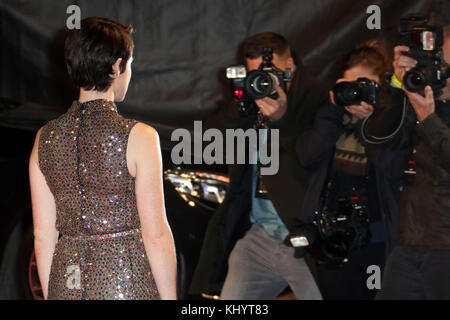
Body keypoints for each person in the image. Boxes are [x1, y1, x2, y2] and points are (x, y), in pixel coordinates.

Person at [29, 17, 177, 300]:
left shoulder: (44, 138)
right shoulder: (139, 136)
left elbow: (43, 236)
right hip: (126, 286)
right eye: (130, 64)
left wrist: (53, 294)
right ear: (117, 66)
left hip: (65, 284)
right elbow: (156, 235)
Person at [189, 32, 327, 300]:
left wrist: (283, 118)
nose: (263, 81)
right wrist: (241, 101)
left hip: (303, 236)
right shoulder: (253, 96)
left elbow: (313, 157)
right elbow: (208, 142)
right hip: (260, 237)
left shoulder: (317, 97)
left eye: (269, 72)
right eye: (255, 74)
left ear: (289, 67)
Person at [294, 40, 407, 299]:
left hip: (376, 241)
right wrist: (333, 109)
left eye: (363, 86)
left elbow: (392, 169)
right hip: (333, 239)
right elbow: (306, 156)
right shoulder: (332, 118)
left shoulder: (393, 123)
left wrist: (370, 122)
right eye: (349, 85)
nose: (354, 93)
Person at [365, 26, 450, 299]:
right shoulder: (430, 102)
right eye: (439, 62)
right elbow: (381, 140)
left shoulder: (429, 113)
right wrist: (396, 86)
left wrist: (428, 118)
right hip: (411, 240)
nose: (442, 72)